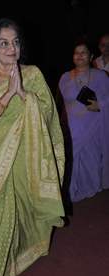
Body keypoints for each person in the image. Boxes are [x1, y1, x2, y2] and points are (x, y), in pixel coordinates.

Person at [0, 18, 65, 276]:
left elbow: (48, 115)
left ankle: (10, 261)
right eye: (3, 43)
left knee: (20, 208)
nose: (11, 48)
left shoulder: (32, 74)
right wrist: (10, 94)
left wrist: (23, 92)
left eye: (15, 42)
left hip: (25, 154)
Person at [57, 38, 109, 204]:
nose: (79, 56)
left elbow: (107, 99)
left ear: (91, 56)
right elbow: (63, 100)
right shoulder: (65, 77)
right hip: (73, 127)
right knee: (71, 159)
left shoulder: (100, 76)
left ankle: (92, 188)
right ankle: (71, 191)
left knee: (91, 159)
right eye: (76, 53)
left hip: (93, 126)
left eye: (84, 52)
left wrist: (97, 103)